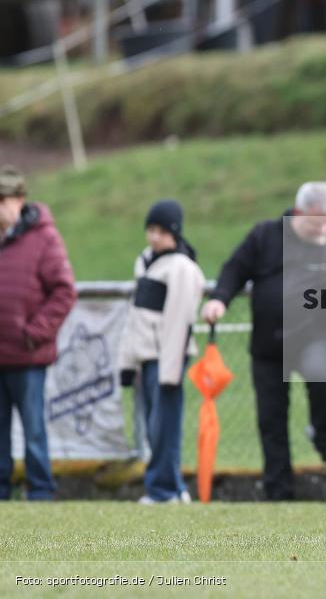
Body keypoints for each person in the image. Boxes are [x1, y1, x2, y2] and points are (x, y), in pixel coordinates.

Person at [201, 182, 326, 501]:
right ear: (299, 213)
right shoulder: (265, 236)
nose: (325, 229)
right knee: (270, 417)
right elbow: (235, 269)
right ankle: (278, 489)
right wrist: (220, 298)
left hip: (314, 336)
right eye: (318, 223)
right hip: (268, 344)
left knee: (320, 377)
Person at [119, 199, 205, 504]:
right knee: (155, 424)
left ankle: (162, 489)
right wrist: (127, 362)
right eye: (150, 230)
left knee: (163, 426)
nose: (154, 237)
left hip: (165, 358)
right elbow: (136, 316)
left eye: (160, 231)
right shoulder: (145, 262)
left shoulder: (181, 268)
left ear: (175, 233)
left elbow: (177, 323)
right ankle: (175, 487)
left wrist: (170, 371)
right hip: (145, 357)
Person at [0, 165, 76, 500]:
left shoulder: (44, 238)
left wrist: (34, 333)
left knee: (33, 431)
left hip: (27, 356)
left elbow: (64, 291)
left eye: (1, 200)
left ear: (19, 200)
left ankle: (41, 492)